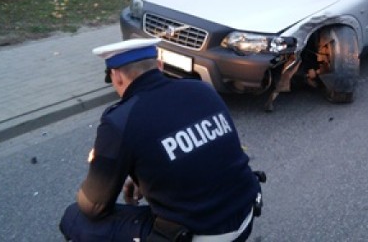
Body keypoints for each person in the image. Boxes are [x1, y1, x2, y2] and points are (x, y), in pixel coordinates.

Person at [59, 38, 263, 241]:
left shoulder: (121, 120)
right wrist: (142, 176)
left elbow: (93, 207)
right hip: (245, 214)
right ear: (159, 65)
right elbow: (205, 154)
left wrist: (98, 162)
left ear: (117, 76)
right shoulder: (202, 90)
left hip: (198, 235)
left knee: (74, 218)